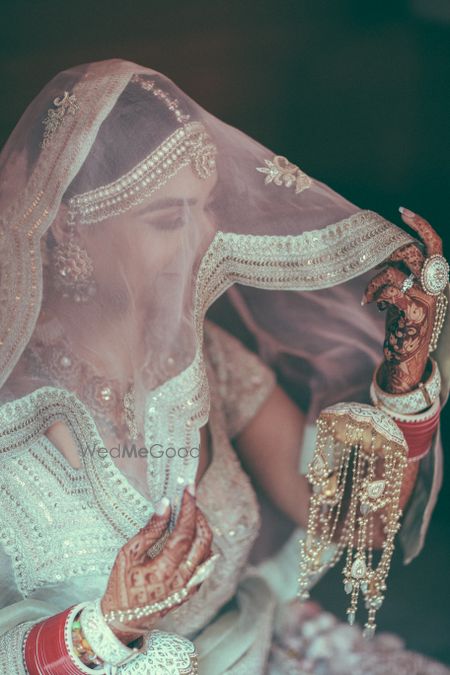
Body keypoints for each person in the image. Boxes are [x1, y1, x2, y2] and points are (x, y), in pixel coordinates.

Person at [0, 59, 448, 674]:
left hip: (254, 648)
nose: (204, 240)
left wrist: (402, 384)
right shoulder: (10, 405)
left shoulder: (201, 357)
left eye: (207, 209)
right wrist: (107, 629)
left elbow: (353, 522)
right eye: (167, 219)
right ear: (71, 227)